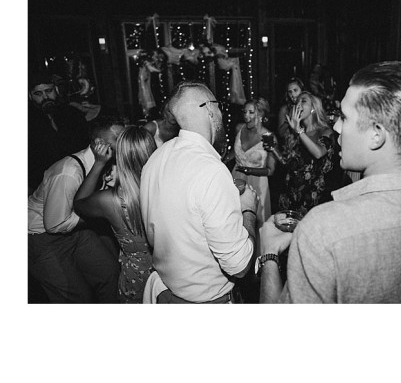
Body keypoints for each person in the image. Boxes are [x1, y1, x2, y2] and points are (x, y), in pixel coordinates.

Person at [258, 61, 401, 303]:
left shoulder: (323, 228)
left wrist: (269, 255)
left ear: (377, 134)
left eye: (344, 117)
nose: (337, 127)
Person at [141, 82, 260, 303]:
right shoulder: (211, 170)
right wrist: (248, 210)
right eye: (219, 107)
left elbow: (154, 232)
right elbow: (240, 265)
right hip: (207, 300)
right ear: (209, 110)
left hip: (168, 291)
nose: (222, 114)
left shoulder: (156, 158)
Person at [28, 118, 124, 303]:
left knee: (110, 274)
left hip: (76, 231)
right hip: (41, 237)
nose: (124, 142)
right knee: (77, 297)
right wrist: (102, 214)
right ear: (99, 144)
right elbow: (55, 224)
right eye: (119, 138)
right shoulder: (69, 173)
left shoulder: (108, 163)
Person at [72, 126, 157, 303]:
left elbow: (79, 204)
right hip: (168, 272)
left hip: (137, 277)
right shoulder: (167, 187)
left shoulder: (111, 200)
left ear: (121, 157)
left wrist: (99, 163)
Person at [269, 92, 338, 215]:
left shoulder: (325, 131)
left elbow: (318, 153)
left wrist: (299, 132)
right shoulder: (294, 133)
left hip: (313, 198)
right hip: (290, 195)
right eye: (297, 102)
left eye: (303, 101)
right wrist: (274, 149)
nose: (298, 104)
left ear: (313, 108)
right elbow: (288, 164)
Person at [28, 73, 92, 191]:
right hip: (44, 187)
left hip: (79, 179)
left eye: (49, 91)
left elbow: (85, 148)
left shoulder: (73, 114)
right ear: (30, 96)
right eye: (38, 93)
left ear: (56, 90)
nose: (45, 97)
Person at [227, 98, 277, 223]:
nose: (246, 116)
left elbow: (271, 171)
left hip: (257, 183)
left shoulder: (268, 137)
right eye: (244, 112)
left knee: (255, 222)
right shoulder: (239, 128)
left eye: (251, 112)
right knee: (235, 219)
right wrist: (222, 159)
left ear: (260, 114)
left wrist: (248, 170)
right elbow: (237, 151)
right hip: (237, 178)